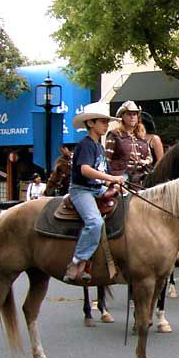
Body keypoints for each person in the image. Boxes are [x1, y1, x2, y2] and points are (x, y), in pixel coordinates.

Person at [63, 102, 125, 283]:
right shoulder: (86, 145)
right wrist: (111, 178)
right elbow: (85, 170)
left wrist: (114, 182)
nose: (106, 125)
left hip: (97, 188)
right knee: (95, 222)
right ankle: (77, 261)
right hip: (82, 190)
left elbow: (100, 173)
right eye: (103, 121)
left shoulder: (99, 146)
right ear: (90, 123)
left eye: (107, 121)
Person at [105, 100, 163, 185]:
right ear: (122, 117)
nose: (132, 117)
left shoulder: (141, 136)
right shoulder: (114, 135)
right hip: (120, 176)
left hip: (140, 175)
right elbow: (107, 160)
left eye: (134, 114)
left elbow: (149, 157)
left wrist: (146, 161)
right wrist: (108, 179)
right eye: (129, 114)